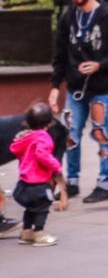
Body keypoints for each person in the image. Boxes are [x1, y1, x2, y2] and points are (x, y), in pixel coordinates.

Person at [48, 0, 108, 203]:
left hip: (100, 90)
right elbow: (60, 54)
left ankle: (104, 184)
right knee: (69, 135)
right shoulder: (68, 17)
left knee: (101, 133)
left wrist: (100, 65)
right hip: (75, 89)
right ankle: (71, 182)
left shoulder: (107, 17)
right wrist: (55, 86)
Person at [10, 103, 64, 246]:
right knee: (42, 209)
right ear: (49, 123)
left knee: (31, 208)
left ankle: (26, 232)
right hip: (38, 184)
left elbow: (14, 149)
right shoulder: (43, 137)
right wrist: (56, 166)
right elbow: (42, 155)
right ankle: (39, 234)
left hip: (23, 184)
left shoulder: (25, 136)